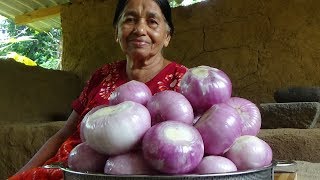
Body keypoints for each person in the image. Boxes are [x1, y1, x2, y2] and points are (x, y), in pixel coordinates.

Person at [9, 0, 187, 179]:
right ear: (116, 32)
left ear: (167, 36)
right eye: (130, 20)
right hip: (65, 171)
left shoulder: (183, 81)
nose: (140, 30)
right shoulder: (102, 75)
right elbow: (64, 133)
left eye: (152, 21)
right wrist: (19, 175)